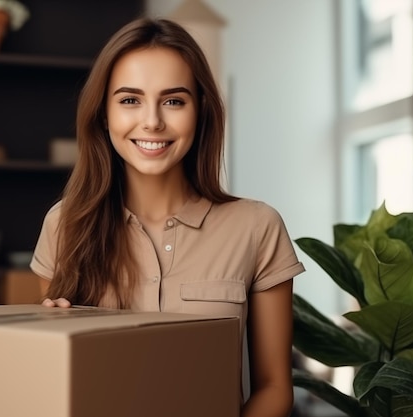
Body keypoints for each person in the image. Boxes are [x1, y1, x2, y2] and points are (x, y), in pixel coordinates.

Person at [29, 17, 305, 417]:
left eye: (174, 100)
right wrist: (44, 338)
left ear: (201, 112)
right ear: (104, 115)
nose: (153, 121)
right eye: (129, 100)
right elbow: (51, 386)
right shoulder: (64, 225)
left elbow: (275, 387)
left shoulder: (257, 227)